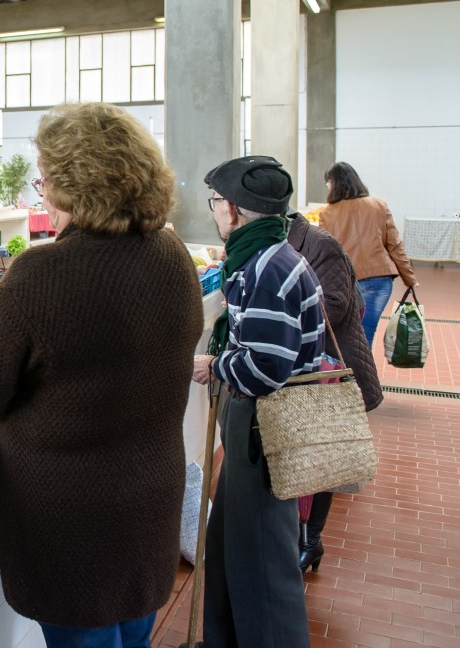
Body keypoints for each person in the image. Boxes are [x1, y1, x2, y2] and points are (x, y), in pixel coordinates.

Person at [0, 103, 202, 648]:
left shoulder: (41, 273)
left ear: (74, 183)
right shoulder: (172, 254)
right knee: (132, 637)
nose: (42, 192)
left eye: (45, 178)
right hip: (149, 502)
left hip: (73, 524)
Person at [192, 155, 325, 648]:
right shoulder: (264, 256)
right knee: (233, 545)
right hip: (253, 423)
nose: (214, 213)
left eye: (215, 203)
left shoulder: (269, 267)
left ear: (234, 209)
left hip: (263, 426)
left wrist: (217, 365)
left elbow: (266, 368)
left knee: (264, 563)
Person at [287, 209, 383, 574]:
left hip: (330, 368)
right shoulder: (288, 244)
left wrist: (280, 317)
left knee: (323, 460)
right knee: (307, 459)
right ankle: (305, 540)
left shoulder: (319, 245)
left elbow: (336, 305)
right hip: (312, 369)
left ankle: (311, 542)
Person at [318, 162, 417, 347]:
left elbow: (326, 251)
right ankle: (361, 374)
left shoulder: (328, 213)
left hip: (347, 282)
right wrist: (409, 278)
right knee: (365, 334)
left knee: (347, 335)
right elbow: (394, 245)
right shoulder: (379, 205)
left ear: (333, 183)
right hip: (379, 280)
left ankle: (354, 374)